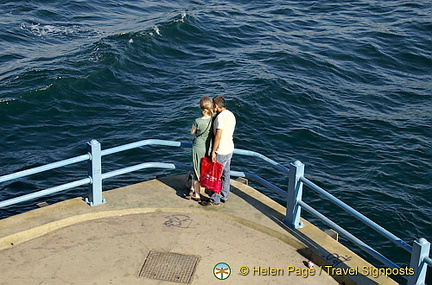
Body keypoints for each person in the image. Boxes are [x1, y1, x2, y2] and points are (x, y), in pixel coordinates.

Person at [200, 96, 236, 206]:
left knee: (216, 175)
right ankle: (224, 195)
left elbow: (218, 136)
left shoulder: (220, 118)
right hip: (230, 148)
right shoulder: (231, 115)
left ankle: (215, 199)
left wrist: (213, 151)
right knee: (226, 173)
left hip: (221, 150)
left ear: (216, 106)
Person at [187, 96, 214, 201]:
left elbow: (192, 132)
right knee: (205, 169)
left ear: (201, 108)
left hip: (198, 147)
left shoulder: (197, 121)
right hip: (208, 147)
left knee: (196, 170)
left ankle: (196, 194)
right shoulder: (213, 120)